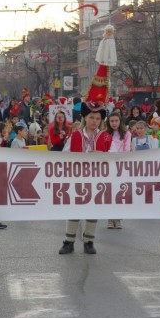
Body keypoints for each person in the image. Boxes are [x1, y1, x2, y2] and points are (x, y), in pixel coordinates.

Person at [59, 101, 112, 255]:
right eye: (91, 117)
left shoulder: (106, 137)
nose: (94, 121)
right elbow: (64, 156)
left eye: (97, 118)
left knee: (93, 209)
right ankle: (69, 242)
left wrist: (104, 155)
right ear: (85, 118)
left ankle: (89, 241)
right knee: (74, 209)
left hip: (97, 179)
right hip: (77, 178)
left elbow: (117, 157)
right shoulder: (75, 136)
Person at [106, 111, 131, 229]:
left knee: (120, 193)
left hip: (121, 166)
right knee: (110, 192)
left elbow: (127, 150)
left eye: (116, 121)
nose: (114, 123)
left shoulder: (126, 134)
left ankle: (118, 218)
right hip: (108, 166)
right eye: (112, 121)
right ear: (108, 122)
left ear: (120, 121)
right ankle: (110, 219)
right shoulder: (105, 134)